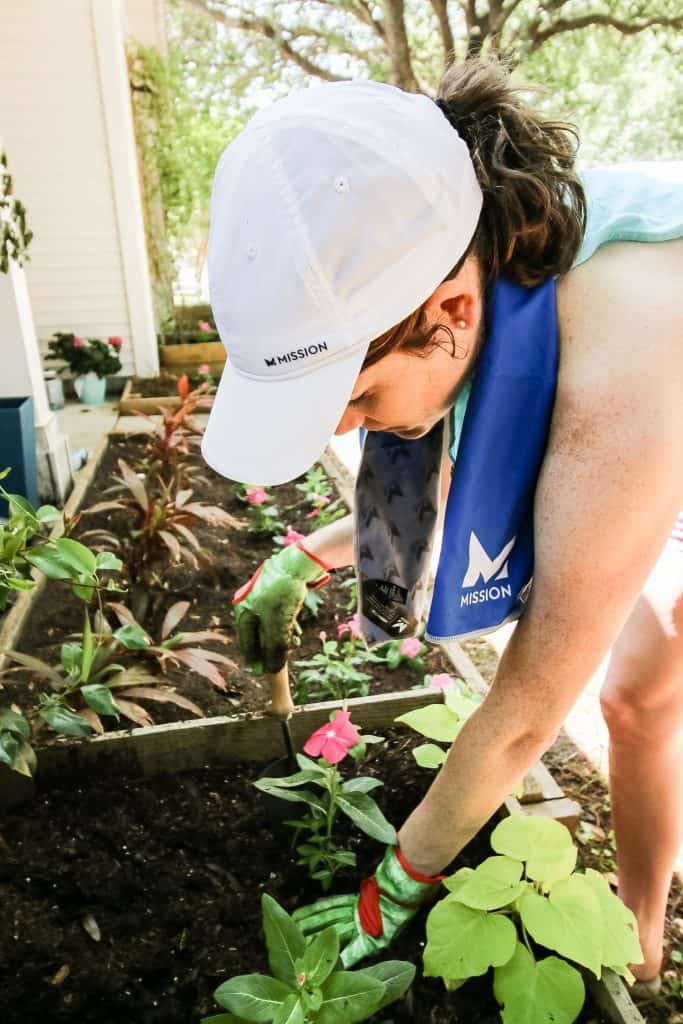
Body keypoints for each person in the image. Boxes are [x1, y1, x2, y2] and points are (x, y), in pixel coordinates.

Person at [200, 59, 683, 993]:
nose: (359, 431)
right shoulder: (480, 265)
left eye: (361, 400)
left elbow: (532, 704)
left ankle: (640, 925)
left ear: (450, 315)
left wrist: (399, 879)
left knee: (638, 678)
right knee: (642, 684)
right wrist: (305, 555)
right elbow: (467, 464)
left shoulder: (624, 343)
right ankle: (641, 921)